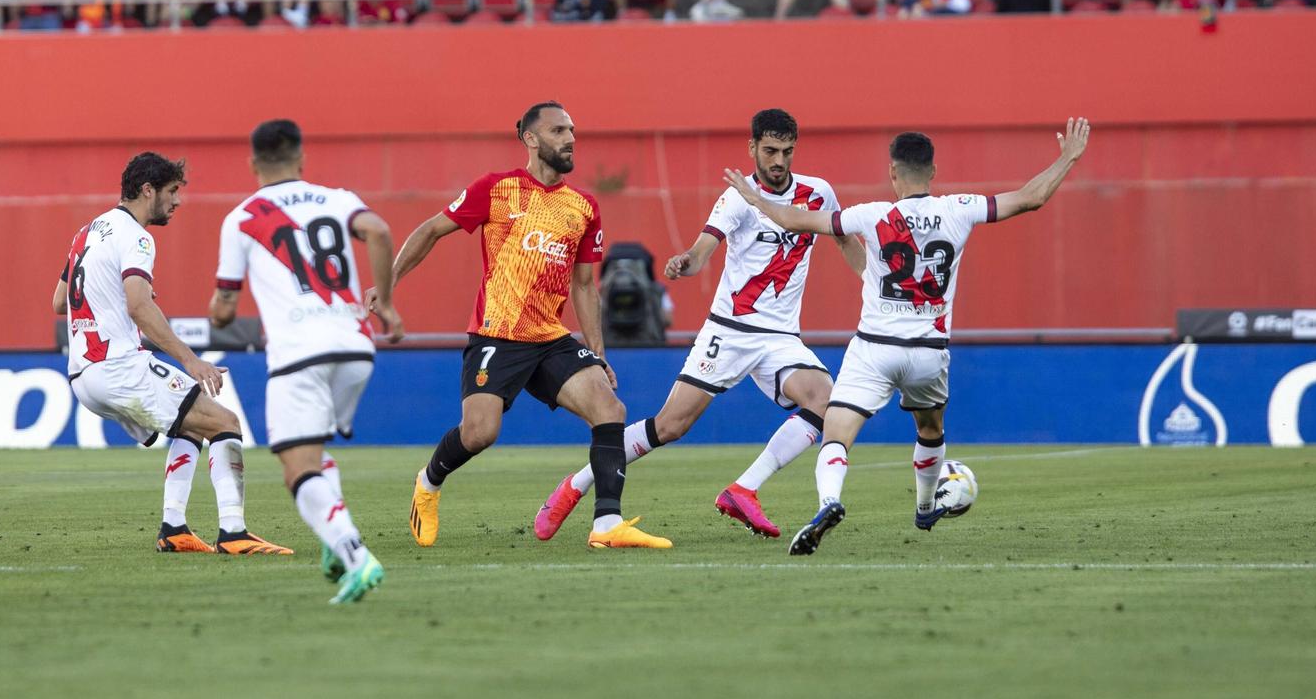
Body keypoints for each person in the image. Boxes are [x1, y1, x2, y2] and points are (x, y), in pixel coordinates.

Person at [721, 122, 1089, 554]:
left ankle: (830, 502)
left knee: (837, 433)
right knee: (930, 429)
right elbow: (1031, 198)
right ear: (932, 171)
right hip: (929, 352)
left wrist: (754, 197)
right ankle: (925, 506)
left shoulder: (870, 215)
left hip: (874, 346)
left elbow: (792, 217)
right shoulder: (961, 208)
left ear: (893, 172)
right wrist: (1068, 158)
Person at [538, 110, 866, 542]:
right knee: (670, 426)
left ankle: (743, 489)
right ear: (752, 149)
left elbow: (843, 239)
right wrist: (684, 263)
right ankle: (574, 485)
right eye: (769, 151)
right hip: (729, 331)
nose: (778, 161)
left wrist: (877, 285)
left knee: (828, 403)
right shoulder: (737, 199)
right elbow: (701, 250)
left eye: (786, 152)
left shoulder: (818, 193)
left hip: (781, 337)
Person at [391, 102, 671, 551]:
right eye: (559, 130)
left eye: (573, 130)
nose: (570, 138)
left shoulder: (582, 207)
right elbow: (429, 231)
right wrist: (387, 284)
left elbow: (584, 286)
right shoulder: (496, 189)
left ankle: (606, 525)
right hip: (496, 335)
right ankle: (427, 482)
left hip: (550, 338)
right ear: (531, 138)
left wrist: (599, 354)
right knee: (480, 433)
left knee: (610, 410)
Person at [205, 119, 400, 599]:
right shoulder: (337, 197)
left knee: (297, 469)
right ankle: (335, 545)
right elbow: (377, 230)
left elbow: (224, 312)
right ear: (302, 158)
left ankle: (356, 556)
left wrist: (220, 307)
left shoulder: (243, 217)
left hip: (299, 354)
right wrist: (388, 304)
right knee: (314, 451)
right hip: (356, 349)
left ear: (252, 163)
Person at [54, 153, 270, 555]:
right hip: (118, 365)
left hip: (83, 375)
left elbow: (57, 301)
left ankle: (174, 528)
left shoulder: (86, 232)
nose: (177, 201)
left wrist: (111, 295)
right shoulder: (137, 236)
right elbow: (139, 306)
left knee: (189, 427)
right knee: (225, 421)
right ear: (147, 190)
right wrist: (191, 359)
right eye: (172, 191)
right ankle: (235, 533)